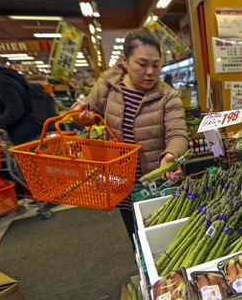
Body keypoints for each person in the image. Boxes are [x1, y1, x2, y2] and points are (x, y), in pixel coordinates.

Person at [73, 28, 188, 243]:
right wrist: (81, 115)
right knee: (134, 236)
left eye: (156, 65)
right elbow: (86, 110)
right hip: (121, 183)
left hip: (156, 181)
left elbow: (178, 134)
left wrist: (170, 155)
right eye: (142, 64)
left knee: (163, 237)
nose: (150, 72)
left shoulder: (168, 96)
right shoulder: (107, 86)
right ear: (125, 61)